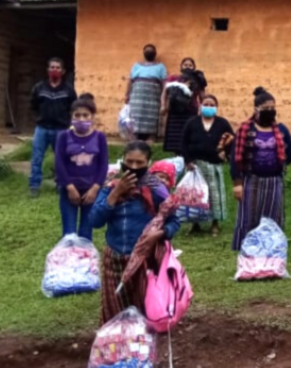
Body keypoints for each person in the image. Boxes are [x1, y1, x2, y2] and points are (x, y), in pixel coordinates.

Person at [89, 141, 180, 324]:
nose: (133, 167)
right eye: (129, 161)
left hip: (146, 261)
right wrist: (117, 193)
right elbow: (95, 220)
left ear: (148, 162)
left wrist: (160, 234)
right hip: (114, 260)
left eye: (139, 163)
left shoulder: (156, 189)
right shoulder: (110, 186)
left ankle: (142, 351)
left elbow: (174, 221)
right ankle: (117, 350)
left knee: (144, 313)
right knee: (114, 315)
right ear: (122, 160)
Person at [231, 87, 291, 250]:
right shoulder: (245, 130)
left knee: (273, 216)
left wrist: (278, 163)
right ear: (256, 109)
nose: (270, 111)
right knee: (249, 216)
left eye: (272, 108)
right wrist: (237, 183)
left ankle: (272, 248)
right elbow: (234, 157)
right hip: (251, 180)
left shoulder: (281, 130)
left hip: (274, 181)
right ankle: (247, 248)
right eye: (266, 109)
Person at [54, 94, 108, 240]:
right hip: (68, 192)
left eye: (86, 115)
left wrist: (95, 188)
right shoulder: (64, 137)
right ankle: (69, 262)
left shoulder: (100, 137)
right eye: (77, 115)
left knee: (86, 233)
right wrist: (70, 188)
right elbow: (59, 164)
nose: (82, 119)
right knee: (69, 234)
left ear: (92, 116)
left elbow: (103, 165)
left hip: (91, 192)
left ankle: (84, 262)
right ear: (71, 116)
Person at [181, 94, 235, 236]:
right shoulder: (192, 123)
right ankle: (195, 224)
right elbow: (183, 143)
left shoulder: (222, 123)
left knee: (214, 195)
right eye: (206, 104)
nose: (209, 107)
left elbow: (231, 140)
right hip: (196, 166)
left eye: (212, 105)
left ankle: (215, 224)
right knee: (196, 196)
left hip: (214, 166)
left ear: (216, 107)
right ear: (200, 106)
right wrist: (188, 161)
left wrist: (225, 154)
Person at [29, 57, 76, 197]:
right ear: (48, 70)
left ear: (63, 71)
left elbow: (73, 108)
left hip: (61, 129)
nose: (54, 70)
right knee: (37, 157)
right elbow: (33, 105)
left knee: (61, 158)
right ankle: (34, 186)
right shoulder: (39, 87)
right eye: (52, 67)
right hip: (42, 128)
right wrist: (38, 118)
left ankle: (61, 184)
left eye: (57, 68)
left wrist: (68, 123)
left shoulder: (68, 90)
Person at [125, 44, 168, 141]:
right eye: (147, 50)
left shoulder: (161, 67)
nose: (149, 52)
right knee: (134, 118)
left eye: (151, 50)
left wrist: (163, 100)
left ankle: (151, 137)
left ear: (155, 54)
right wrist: (127, 94)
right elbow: (130, 81)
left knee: (152, 119)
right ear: (143, 53)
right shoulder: (136, 66)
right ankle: (134, 139)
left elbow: (164, 84)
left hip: (153, 98)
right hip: (136, 98)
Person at [162, 59, 202, 155]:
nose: (188, 67)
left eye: (190, 65)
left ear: (194, 67)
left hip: (191, 112)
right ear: (181, 67)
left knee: (188, 135)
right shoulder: (173, 79)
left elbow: (202, 97)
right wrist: (163, 106)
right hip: (174, 112)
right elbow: (164, 93)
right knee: (175, 137)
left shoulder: (198, 80)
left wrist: (202, 110)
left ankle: (188, 157)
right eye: (185, 65)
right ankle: (177, 156)